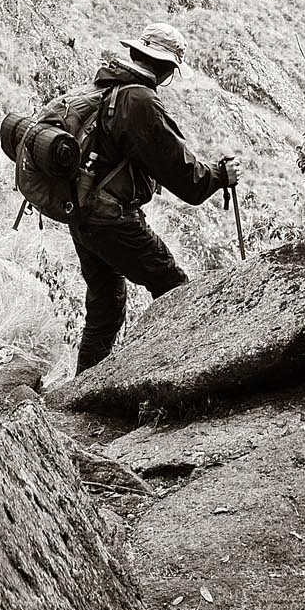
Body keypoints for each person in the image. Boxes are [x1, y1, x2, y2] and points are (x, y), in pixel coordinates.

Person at [60, 20, 239, 373]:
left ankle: (81, 392)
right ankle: (179, 375)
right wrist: (219, 175)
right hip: (111, 217)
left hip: (81, 213)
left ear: (136, 52)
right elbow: (186, 181)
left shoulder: (107, 87)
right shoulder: (139, 100)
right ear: (167, 68)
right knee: (174, 288)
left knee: (106, 306)